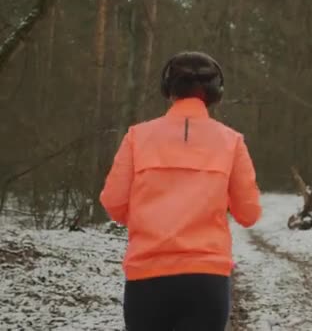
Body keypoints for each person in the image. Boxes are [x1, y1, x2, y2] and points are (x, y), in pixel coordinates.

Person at [100, 51, 262, 331]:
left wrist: (146, 221)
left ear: (168, 89)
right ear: (216, 93)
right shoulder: (231, 142)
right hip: (206, 280)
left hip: (146, 277)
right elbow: (248, 214)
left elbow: (113, 203)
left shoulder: (137, 137)